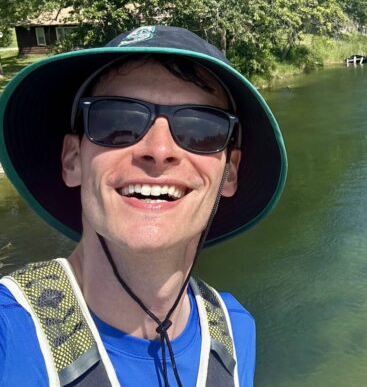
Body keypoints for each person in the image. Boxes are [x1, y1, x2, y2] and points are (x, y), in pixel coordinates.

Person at [0, 25, 287, 386]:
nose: (160, 150)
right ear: (73, 160)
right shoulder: (8, 333)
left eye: (201, 129)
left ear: (229, 173)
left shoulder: (233, 331)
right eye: (117, 122)